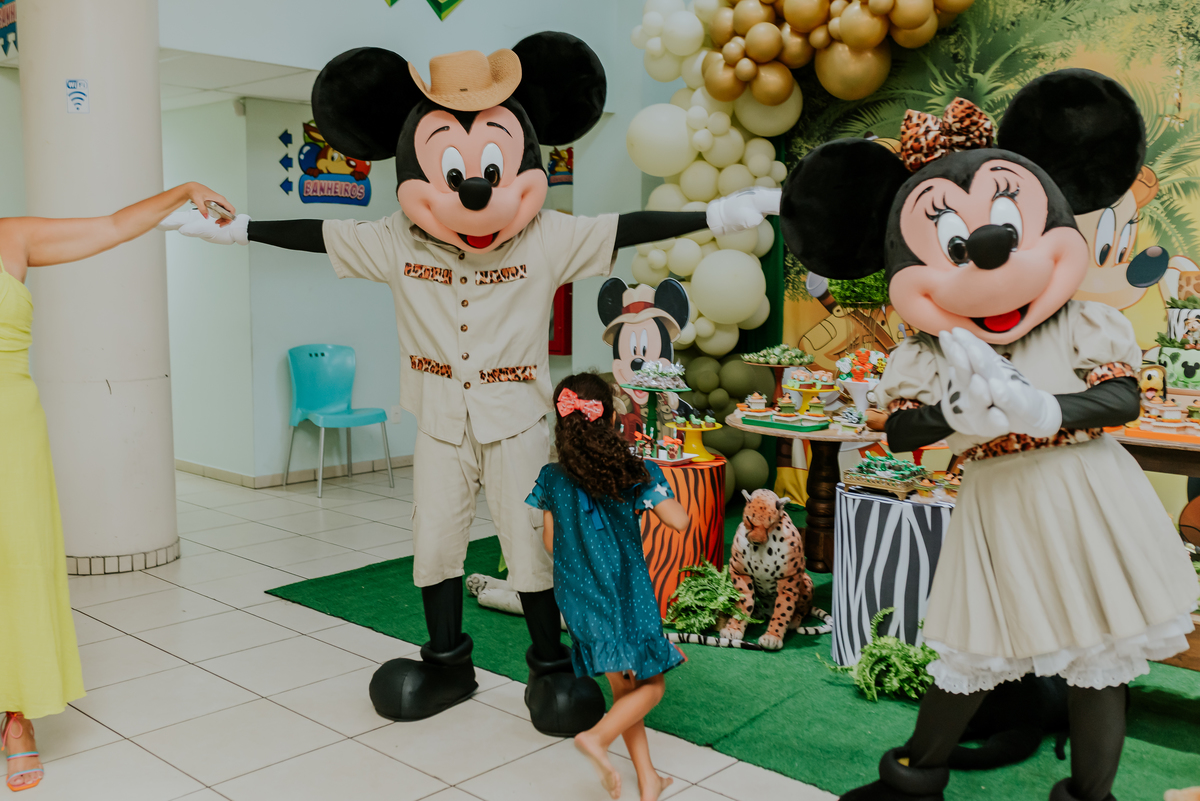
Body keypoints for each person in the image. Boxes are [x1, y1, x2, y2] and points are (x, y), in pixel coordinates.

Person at [0, 182, 233, 792]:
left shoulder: (12, 236)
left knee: (16, 566)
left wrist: (180, 193)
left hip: (9, 427)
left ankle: (14, 719)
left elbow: (108, 226)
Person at [526, 372, 690, 801]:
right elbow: (679, 521)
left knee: (624, 689)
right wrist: (653, 484)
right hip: (623, 597)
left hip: (578, 598)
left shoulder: (551, 477)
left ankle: (648, 779)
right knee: (653, 685)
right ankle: (597, 738)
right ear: (612, 419)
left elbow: (549, 542)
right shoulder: (636, 473)